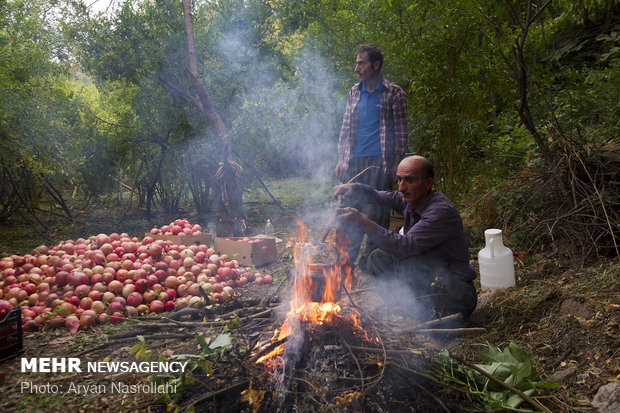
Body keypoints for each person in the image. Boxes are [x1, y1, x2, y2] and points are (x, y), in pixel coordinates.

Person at [333, 155, 477, 320]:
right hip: (432, 278)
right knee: (378, 257)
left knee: (408, 262)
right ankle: (408, 311)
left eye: (409, 180)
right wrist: (355, 188)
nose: (401, 187)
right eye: (399, 179)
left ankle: (434, 317)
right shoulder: (410, 199)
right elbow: (378, 195)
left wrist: (363, 222)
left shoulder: (440, 211)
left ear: (428, 183)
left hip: (457, 293)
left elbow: (405, 247)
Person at [335, 44, 408, 267]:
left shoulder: (394, 93)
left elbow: (401, 131)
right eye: (357, 63)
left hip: (380, 163)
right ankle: (345, 263)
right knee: (349, 210)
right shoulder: (354, 92)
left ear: (376, 64)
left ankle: (371, 264)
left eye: (361, 63)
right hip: (354, 162)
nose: (357, 68)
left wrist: (396, 164)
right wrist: (341, 159)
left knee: (376, 213)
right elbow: (346, 129)